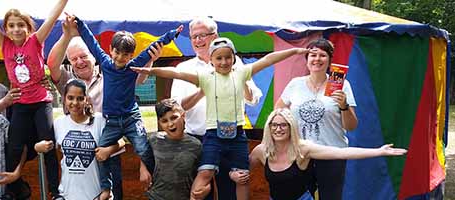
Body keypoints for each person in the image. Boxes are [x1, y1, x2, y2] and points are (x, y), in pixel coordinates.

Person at [132, 37, 307, 200]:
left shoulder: (241, 73)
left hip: (237, 135)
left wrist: (294, 51)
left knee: (242, 177)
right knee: (205, 172)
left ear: (234, 58)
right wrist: (149, 70)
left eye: (227, 57)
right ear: (211, 61)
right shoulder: (206, 78)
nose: (224, 62)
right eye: (219, 58)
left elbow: (269, 60)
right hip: (214, 135)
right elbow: (176, 74)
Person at [66, 14, 183, 200]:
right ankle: (106, 188)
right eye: (117, 52)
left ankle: (159, 181)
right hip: (111, 120)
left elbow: (153, 48)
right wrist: (79, 23)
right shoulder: (105, 62)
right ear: (111, 50)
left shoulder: (134, 66)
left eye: (126, 54)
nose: (120, 57)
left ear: (131, 55)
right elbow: (90, 40)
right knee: (101, 152)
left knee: (143, 149)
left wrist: (171, 35)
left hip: (131, 118)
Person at [0, 0, 68, 199]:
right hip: (21, 104)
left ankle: (55, 191)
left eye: (20, 25)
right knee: (14, 146)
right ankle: (12, 190)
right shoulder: (5, 44)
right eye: (11, 25)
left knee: (48, 144)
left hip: (41, 102)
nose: (16, 29)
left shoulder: (35, 41)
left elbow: (52, 18)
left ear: (28, 27)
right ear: (6, 29)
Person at [169, 17, 263, 200]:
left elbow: (253, 99)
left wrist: (241, 80)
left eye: (202, 35)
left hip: (229, 136)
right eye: (193, 37)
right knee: (200, 193)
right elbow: (178, 108)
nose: (197, 41)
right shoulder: (183, 68)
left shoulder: (235, 65)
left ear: (216, 36)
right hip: (196, 140)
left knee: (229, 188)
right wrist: (204, 89)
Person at [249, 108, 406, 200]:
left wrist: (379, 151)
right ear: (269, 127)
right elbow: (243, 167)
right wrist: (235, 174)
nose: (278, 129)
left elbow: (341, 153)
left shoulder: (303, 149)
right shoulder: (262, 151)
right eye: (274, 125)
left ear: (291, 127)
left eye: (283, 125)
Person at [274, 38, 358, 200]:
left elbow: (351, 125)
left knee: (331, 197)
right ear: (307, 60)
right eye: (313, 55)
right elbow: (278, 113)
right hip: (300, 153)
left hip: (332, 153)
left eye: (322, 55)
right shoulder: (295, 84)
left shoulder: (341, 85)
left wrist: (344, 106)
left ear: (329, 60)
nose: (317, 59)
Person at [34, 79, 123, 200]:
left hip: (96, 194)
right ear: (64, 99)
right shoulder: (59, 123)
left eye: (80, 98)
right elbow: (45, 146)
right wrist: (37, 147)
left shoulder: (99, 121)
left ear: (87, 99)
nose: (75, 103)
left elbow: (121, 142)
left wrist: (107, 151)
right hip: (68, 193)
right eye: (70, 98)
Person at [137, 98, 202, 200]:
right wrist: (143, 169)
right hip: (156, 196)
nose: (170, 124)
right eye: (164, 121)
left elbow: (204, 175)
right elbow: (144, 153)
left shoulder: (196, 146)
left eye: (174, 118)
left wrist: (203, 189)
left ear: (183, 116)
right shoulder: (154, 140)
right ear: (160, 123)